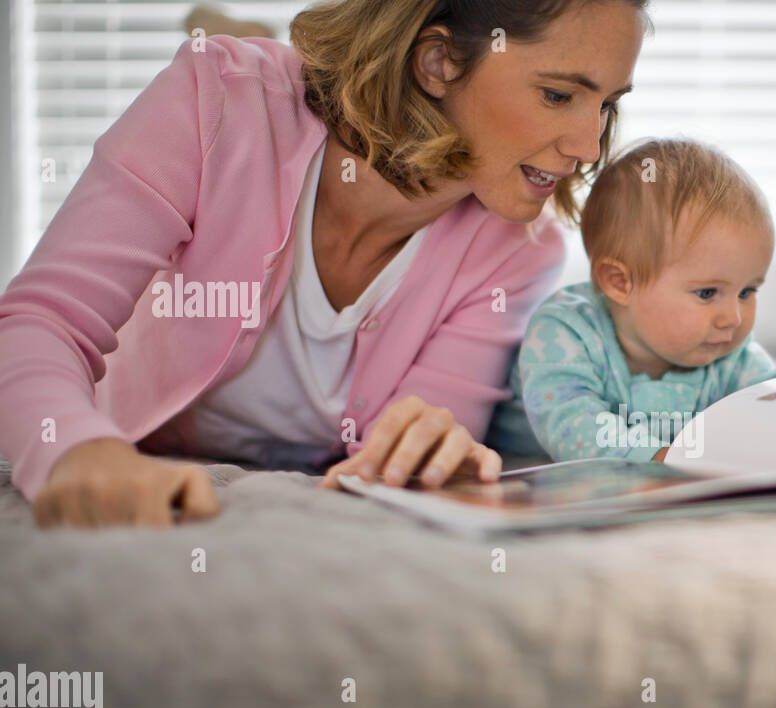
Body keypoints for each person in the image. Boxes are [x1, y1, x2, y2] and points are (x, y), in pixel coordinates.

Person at [0, 0, 648, 528]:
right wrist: (77, 452)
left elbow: (407, 445)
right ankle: (243, 31)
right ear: (438, 63)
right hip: (140, 422)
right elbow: (39, 319)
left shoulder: (521, 249)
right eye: (561, 94)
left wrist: (426, 448)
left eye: (608, 104)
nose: (590, 146)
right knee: (257, 91)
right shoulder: (214, 97)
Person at [489, 139, 776, 463]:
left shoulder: (728, 352)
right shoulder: (563, 333)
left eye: (747, 292)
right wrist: (664, 459)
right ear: (620, 283)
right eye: (707, 293)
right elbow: (574, 427)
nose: (732, 317)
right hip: (536, 472)